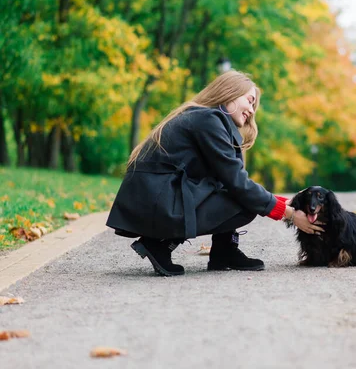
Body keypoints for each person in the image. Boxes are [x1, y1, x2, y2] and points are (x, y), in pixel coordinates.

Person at [106, 70, 324, 276]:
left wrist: (288, 204)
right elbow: (238, 183)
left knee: (238, 192)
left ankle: (224, 250)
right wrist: (289, 215)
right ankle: (159, 244)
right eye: (249, 101)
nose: (251, 111)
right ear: (230, 92)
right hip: (157, 202)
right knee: (245, 201)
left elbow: (230, 180)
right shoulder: (209, 119)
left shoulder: (206, 119)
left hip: (157, 199)